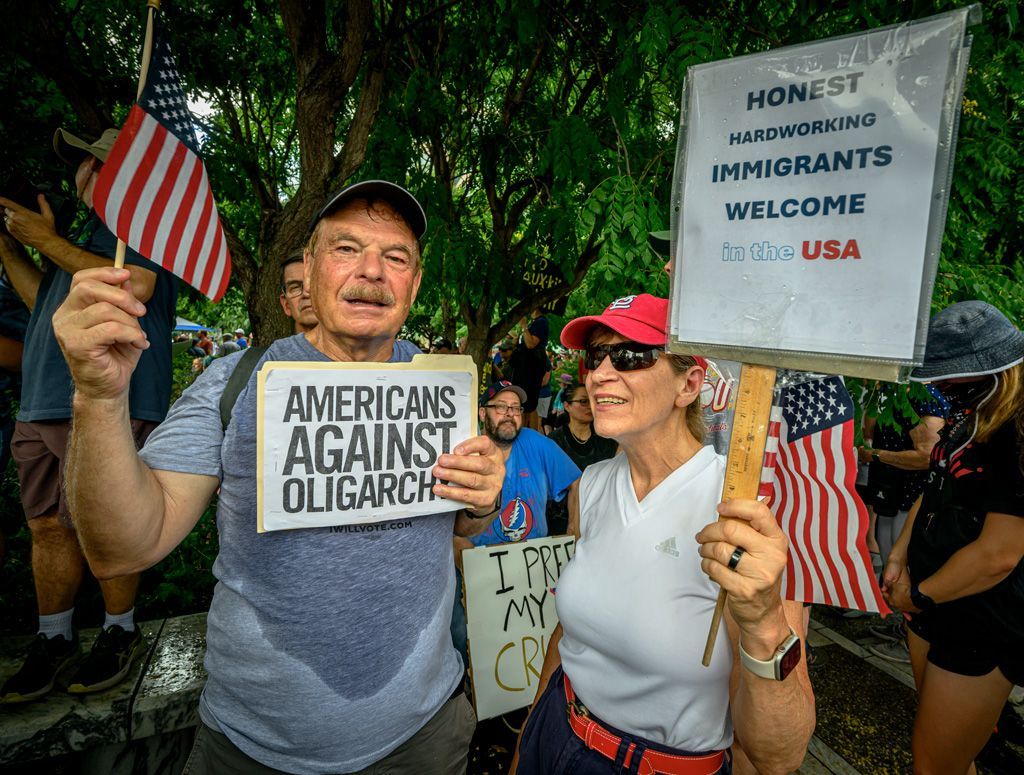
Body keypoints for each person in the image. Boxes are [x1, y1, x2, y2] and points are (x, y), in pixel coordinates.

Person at [51, 180, 506, 773]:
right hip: (251, 750)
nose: (371, 272)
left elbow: (461, 520)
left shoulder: (442, 386)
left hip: (423, 738)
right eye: (346, 250)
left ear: (413, 286)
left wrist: (480, 502)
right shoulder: (234, 382)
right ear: (309, 271)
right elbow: (122, 548)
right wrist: (98, 396)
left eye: (396, 258)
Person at [513, 293, 814, 775]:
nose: (600, 374)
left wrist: (763, 622)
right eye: (594, 357)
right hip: (557, 730)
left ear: (688, 384)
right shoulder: (590, 486)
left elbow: (779, 756)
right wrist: (531, 732)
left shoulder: (743, 513)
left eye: (631, 356)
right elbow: (570, 634)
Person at [0, 127, 177, 703]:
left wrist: (43, 238)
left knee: (108, 523)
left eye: (92, 164)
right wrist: (11, 248)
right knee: (48, 526)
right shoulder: (75, 237)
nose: (81, 174)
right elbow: (39, 301)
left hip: (112, 402)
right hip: (44, 398)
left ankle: (118, 630)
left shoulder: (137, 230)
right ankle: (53, 637)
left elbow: (136, 284)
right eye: (81, 166)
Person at [882, 300, 1024, 775]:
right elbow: (939, 484)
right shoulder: (973, 415)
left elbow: (1000, 553)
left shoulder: (1015, 431)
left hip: (979, 615)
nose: (941, 388)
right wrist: (900, 552)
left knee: (934, 764)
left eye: (950, 378)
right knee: (943, 747)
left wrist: (920, 596)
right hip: (931, 597)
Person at [450, 379, 580, 668]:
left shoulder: (536, 443)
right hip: (477, 568)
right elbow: (447, 523)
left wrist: (574, 532)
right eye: (500, 407)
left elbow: (577, 482)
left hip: (533, 571)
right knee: (461, 637)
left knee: (538, 644)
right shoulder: (463, 448)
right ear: (483, 413)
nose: (509, 414)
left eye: (516, 408)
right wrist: (467, 566)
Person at [546, 380, 617, 535]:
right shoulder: (554, 441)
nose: (589, 406)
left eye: (592, 400)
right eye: (583, 401)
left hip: (603, 518)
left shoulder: (608, 440)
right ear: (567, 406)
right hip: (563, 522)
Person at [510, 309, 549, 431]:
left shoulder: (541, 322)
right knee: (523, 404)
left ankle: (528, 435)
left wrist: (524, 326)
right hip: (524, 370)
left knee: (528, 405)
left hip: (530, 371)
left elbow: (531, 344)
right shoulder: (534, 323)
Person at [278, 249, 317, 334]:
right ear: (286, 305)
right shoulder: (275, 348)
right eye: (295, 287)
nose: (306, 293)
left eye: (314, 283)